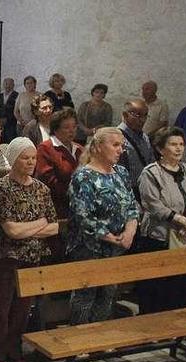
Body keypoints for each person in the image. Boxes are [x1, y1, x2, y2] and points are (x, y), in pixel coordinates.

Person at [0, 138, 58, 362]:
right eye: (25, 158)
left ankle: (15, 351)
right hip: (6, 258)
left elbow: (54, 227)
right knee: (2, 307)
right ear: (14, 159)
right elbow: (11, 231)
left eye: (33, 158)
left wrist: (28, 228)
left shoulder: (41, 188)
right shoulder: (1, 188)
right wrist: (39, 223)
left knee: (22, 309)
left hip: (32, 257)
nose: (30, 162)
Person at [67, 127, 138, 324]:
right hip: (89, 247)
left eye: (122, 146)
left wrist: (130, 231)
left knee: (109, 293)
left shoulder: (121, 173)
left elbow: (132, 206)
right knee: (85, 295)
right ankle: (79, 341)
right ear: (98, 147)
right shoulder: (84, 176)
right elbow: (83, 216)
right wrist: (109, 236)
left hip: (117, 246)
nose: (120, 150)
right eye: (115, 145)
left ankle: (100, 337)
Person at [135, 127, 186, 314]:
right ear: (161, 149)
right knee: (159, 288)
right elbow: (153, 205)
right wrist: (181, 221)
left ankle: (179, 327)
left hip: (184, 236)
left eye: (181, 144)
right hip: (158, 237)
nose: (179, 148)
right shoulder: (151, 173)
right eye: (173, 144)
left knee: (181, 285)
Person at [35, 108, 83, 217]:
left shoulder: (79, 149)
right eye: (66, 127)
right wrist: (75, 193)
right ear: (56, 129)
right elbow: (48, 181)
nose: (72, 130)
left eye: (74, 126)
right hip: (56, 208)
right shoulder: (46, 148)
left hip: (79, 207)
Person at [117, 98, 155, 194]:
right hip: (126, 191)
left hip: (145, 190)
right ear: (125, 115)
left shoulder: (144, 137)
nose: (142, 120)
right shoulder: (116, 137)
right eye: (138, 116)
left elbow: (151, 161)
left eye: (145, 115)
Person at [0, 78, 19, 142]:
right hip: (0, 122)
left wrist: (7, 119)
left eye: (10, 84)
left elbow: (16, 109)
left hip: (11, 123)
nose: (8, 86)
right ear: (3, 85)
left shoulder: (17, 95)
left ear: (13, 85)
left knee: (10, 140)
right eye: (6, 84)